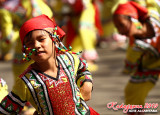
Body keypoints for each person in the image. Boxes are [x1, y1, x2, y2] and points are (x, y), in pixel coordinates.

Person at [0, 14, 99, 115]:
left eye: (41, 39)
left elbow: (82, 68)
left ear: (55, 39)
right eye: (30, 43)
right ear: (25, 50)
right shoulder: (26, 81)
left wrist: (86, 83)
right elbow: (6, 110)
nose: (36, 45)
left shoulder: (69, 59)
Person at [113, 1, 160, 115]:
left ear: (133, 19)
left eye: (121, 25)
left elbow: (152, 3)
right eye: (117, 28)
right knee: (132, 91)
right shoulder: (134, 46)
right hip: (152, 65)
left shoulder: (154, 16)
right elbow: (130, 64)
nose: (120, 32)